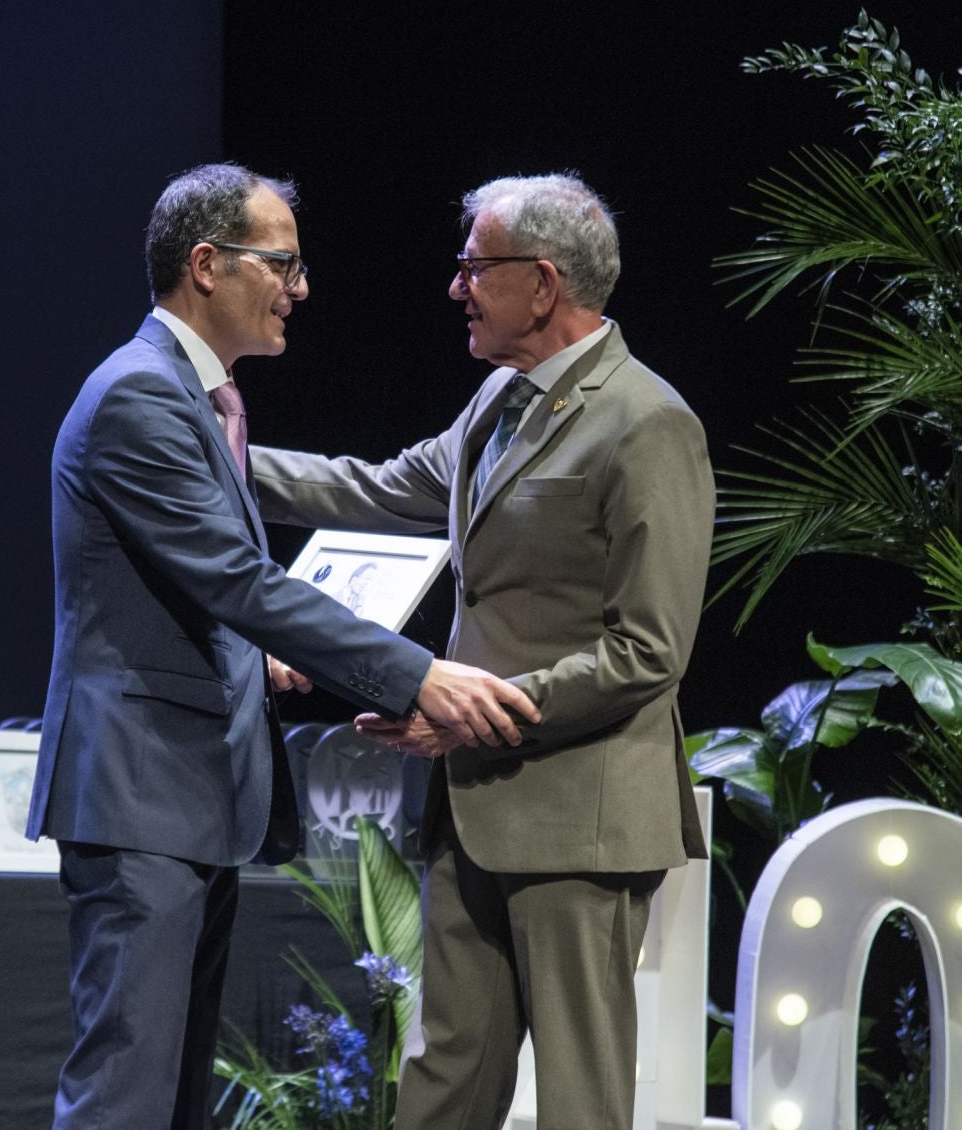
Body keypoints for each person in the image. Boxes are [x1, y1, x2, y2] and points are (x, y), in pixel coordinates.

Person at [24, 163, 540, 1130]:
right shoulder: (141, 396)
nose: (301, 289)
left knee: (169, 1094)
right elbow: (237, 580)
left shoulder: (195, 399)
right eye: (284, 263)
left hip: (184, 798)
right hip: (143, 797)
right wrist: (418, 673)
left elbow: (172, 591)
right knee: (126, 1092)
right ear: (207, 265)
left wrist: (250, 662)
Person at [252, 172, 714, 1129]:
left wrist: (472, 710)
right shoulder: (497, 401)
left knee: (580, 1096)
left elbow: (648, 652)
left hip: (580, 815)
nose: (456, 286)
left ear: (542, 284)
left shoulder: (649, 424)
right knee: (446, 1075)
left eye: (474, 267)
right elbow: (373, 486)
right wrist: (210, 454)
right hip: (474, 809)